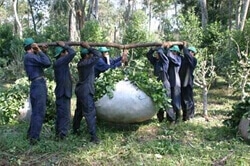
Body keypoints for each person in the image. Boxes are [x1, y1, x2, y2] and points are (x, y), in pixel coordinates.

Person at [23, 38, 51, 145]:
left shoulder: (29, 57)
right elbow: (47, 63)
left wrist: (42, 51)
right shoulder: (30, 56)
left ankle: (31, 134)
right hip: (38, 85)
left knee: (36, 112)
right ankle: (34, 138)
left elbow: (42, 62)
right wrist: (39, 51)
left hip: (36, 85)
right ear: (32, 47)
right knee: (39, 112)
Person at [72, 42, 102, 144]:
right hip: (85, 90)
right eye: (90, 54)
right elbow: (98, 54)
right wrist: (89, 47)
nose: (91, 55)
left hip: (80, 90)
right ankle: (93, 136)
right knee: (90, 113)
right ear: (87, 55)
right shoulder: (86, 63)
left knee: (79, 111)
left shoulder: (81, 63)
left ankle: (75, 130)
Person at [53, 41, 76, 140]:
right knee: (64, 114)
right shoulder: (61, 61)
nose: (66, 53)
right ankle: (62, 134)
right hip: (63, 92)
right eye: (65, 52)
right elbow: (72, 52)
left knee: (61, 113)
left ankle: (59, 133)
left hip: (62, 91)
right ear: (62, 53)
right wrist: (64, 45)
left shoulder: (60, 62)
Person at [146, 45, 174, 123]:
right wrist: (152, 49)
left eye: (157, 54)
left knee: (167, 102)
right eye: (156, 54)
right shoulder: (156, 61)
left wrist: (160, 47)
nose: (156, 55)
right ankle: (160, 119)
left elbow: (161, 53)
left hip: (165, 83)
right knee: (159, 102)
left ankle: (171, 119)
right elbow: (148, 55)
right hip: (157, 84)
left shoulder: (165, 61)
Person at [179, 41, 197, 121]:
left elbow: (186, 54)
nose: (190, 52)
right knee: (183, 100)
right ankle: (185, 116)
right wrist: (180, 46)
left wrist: (184, 46)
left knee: (188, 100)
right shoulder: (184, 59)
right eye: (189, 51)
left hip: (188, 83)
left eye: (191, 52)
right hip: (182, 83)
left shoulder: (193, 60)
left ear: (193, 54)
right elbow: (180, 54)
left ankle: (190, 116)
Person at [165, 44, 182, 123]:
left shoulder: (178, 59)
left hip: (176, 83)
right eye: (172, 51)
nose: (172, 53)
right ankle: (170, 118)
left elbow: (170, 57)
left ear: (177, 52)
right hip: (169, 82)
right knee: (169, 101)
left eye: (174, 51)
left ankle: (178, 117)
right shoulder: (170, 59)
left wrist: (168, 49)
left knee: (176, 101)